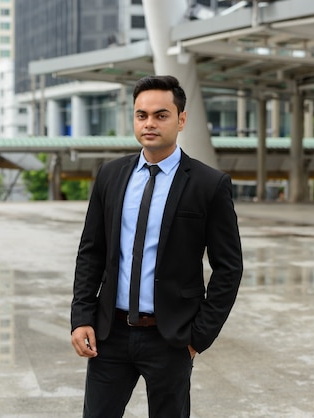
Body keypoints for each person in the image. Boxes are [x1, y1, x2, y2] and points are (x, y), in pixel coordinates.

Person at [70, 75, 243, 417]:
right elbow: (91, 251)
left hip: (171, 338)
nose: (149, 123)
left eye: (161, 115)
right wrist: (81, 317)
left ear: (181, 119)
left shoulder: (209, 184)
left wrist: (198, 336)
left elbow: (229, 267)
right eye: (141, 115)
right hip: (110, 334)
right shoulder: (110, 175)